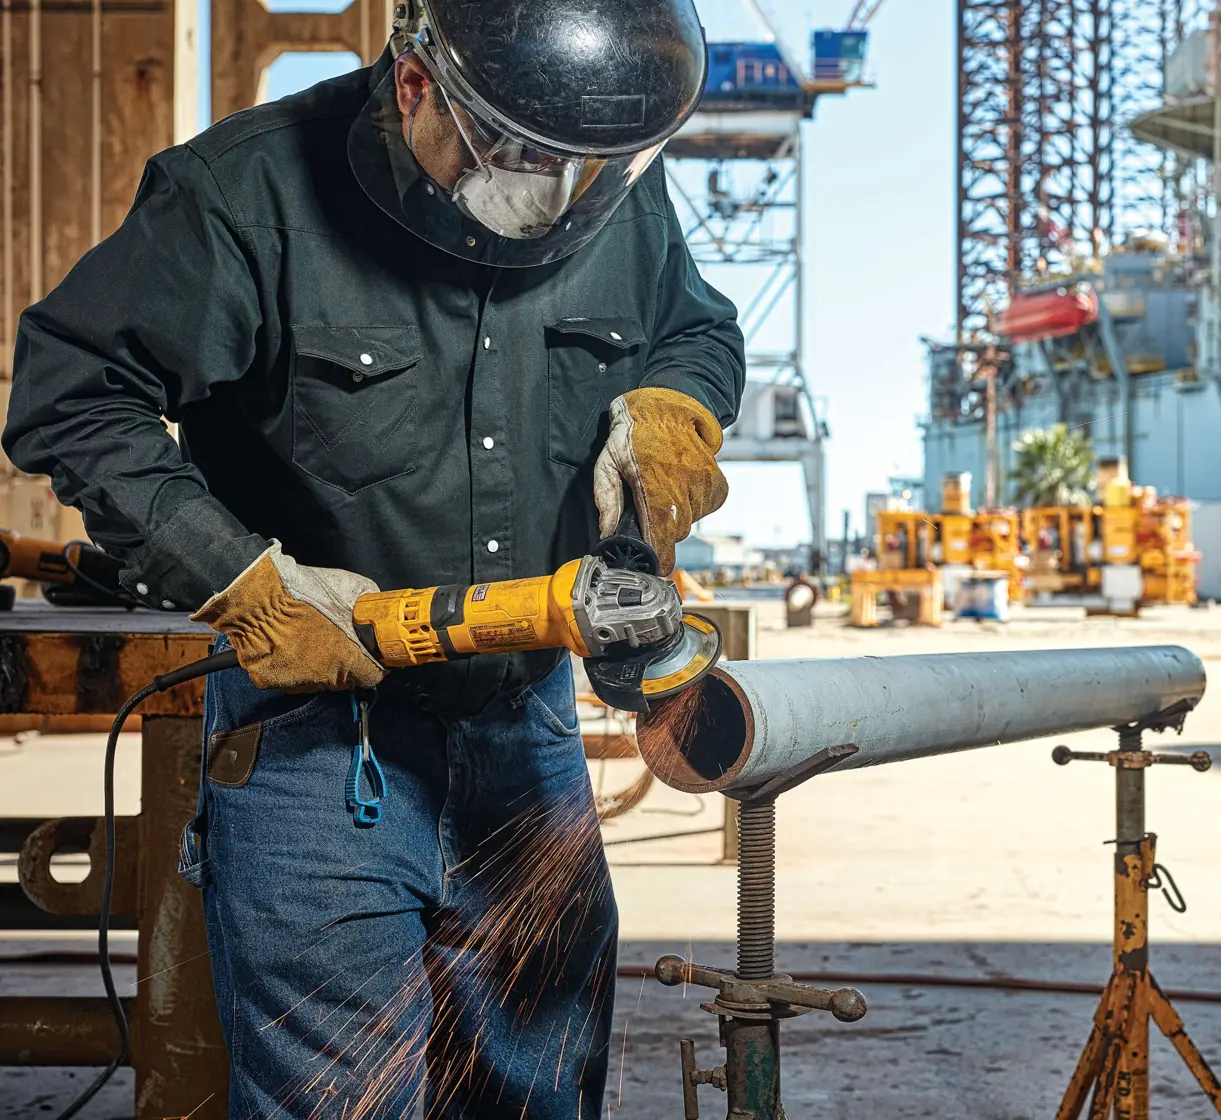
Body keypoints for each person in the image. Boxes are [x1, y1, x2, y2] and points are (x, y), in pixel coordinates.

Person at [3, 0, 742, 1114]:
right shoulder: (244, 197)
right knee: (343, 1101)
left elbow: (695, 326)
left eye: (594, 170)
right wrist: (239, 579)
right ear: (416, 85)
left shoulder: (602, 185)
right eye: (526, 162)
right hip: (316, 745)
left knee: (534, 1086)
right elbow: (70, 395)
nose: (561, 197)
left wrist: (675, 407)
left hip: (523, 727)